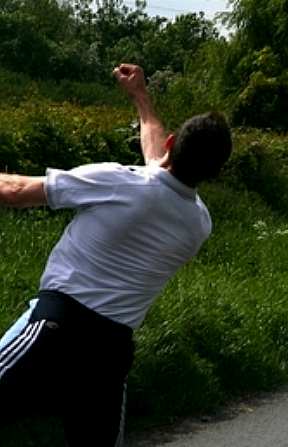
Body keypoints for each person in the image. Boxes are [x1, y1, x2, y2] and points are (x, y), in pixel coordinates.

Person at [0, 63, 233, 445]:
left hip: (55, 330)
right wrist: (140, 98)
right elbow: (158, 168)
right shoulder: (199, 223)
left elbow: (13, 192)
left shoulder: (119, 181)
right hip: (110, 354)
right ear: (215, 172)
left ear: (173, 142)